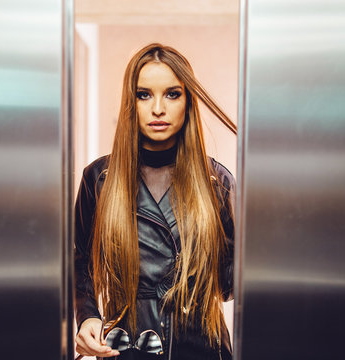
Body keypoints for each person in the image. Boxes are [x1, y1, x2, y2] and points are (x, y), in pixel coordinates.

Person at [74, 43, 236, 360]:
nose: (158, 108)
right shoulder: (100, 178)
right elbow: (80, 261)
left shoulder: (217, 182)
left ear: (188, 102)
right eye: (144, 94)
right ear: (129, 102)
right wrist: (87, 314)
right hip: (128, 345)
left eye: (172, 94)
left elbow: (231, 284)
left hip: (202, 346)